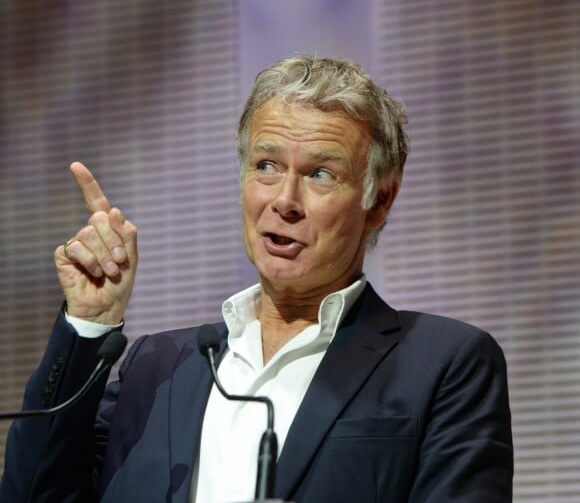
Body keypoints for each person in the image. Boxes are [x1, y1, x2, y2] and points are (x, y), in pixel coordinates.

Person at [0, 55, 513, 502]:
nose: (283, 201)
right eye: (266, 165)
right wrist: (89, 323)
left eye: (320, 174)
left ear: (378, 200)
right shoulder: (156, 369)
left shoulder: (443, 364)